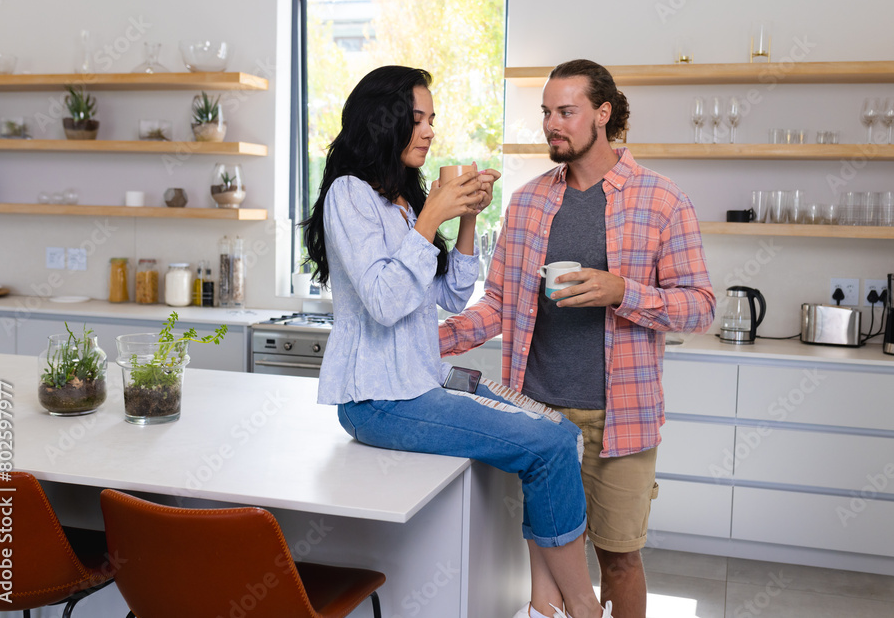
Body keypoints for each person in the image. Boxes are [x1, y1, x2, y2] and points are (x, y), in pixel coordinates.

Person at [302, 65, 613, 618]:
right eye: (416, 119)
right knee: (551, 445)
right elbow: (384, 300)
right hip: (379, 398)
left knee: (556, 431)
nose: (428, 131)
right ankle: (582, 606)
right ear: (383, 122)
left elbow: (451, 293)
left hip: (421, 380)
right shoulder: (349, 195)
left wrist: (466, 216)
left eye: (431, 120)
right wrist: (432, 217)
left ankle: (546, 605)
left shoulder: (400, 200)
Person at [440, 59, 716, 618]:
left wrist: (623, 291)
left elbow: (700, 307)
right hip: (537, 416)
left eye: (566, 112)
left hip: (620, 418)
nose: (551, 124)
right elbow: (497, 305)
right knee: (546, 559)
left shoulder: (661, 201)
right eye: (547, 112)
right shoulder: (529, 202)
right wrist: (426, 340)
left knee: (618, 561)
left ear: (603, 114)